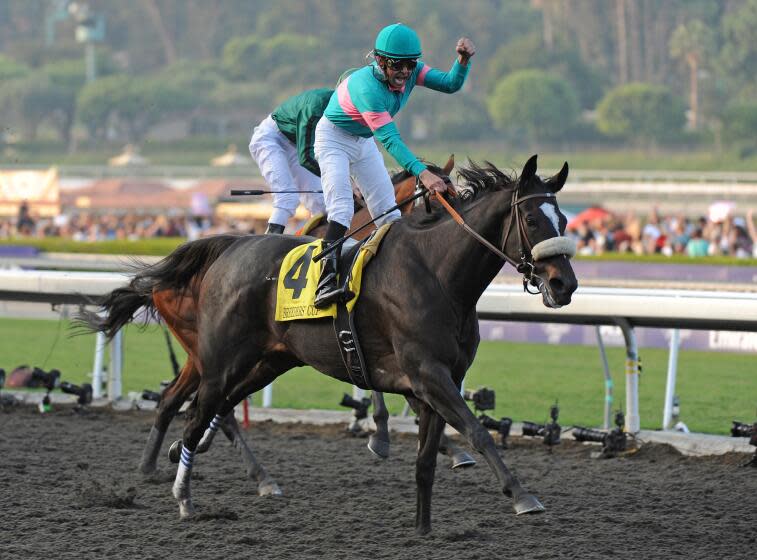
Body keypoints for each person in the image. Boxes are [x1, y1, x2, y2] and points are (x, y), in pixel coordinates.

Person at [313, 23, 475, 307]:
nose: (404, 73)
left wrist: (462, 62)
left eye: (410, 64)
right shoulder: (367, 87)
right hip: (333, 139)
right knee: (341, 207)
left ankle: (396, 278)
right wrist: (423, 174)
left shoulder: (412, 72)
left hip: (362, 141)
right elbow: (390, 140)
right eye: (397, 65)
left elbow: (450, 84)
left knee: (388, 215)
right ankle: (324, 281)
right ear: (380, 60)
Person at [248, 88, 333, 234]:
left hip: (296, 144)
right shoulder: (316, 106)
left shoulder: (343, 110)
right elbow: (306, 157)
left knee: (321, 203)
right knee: (287, 197)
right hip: (270, 138)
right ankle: (268, 243)